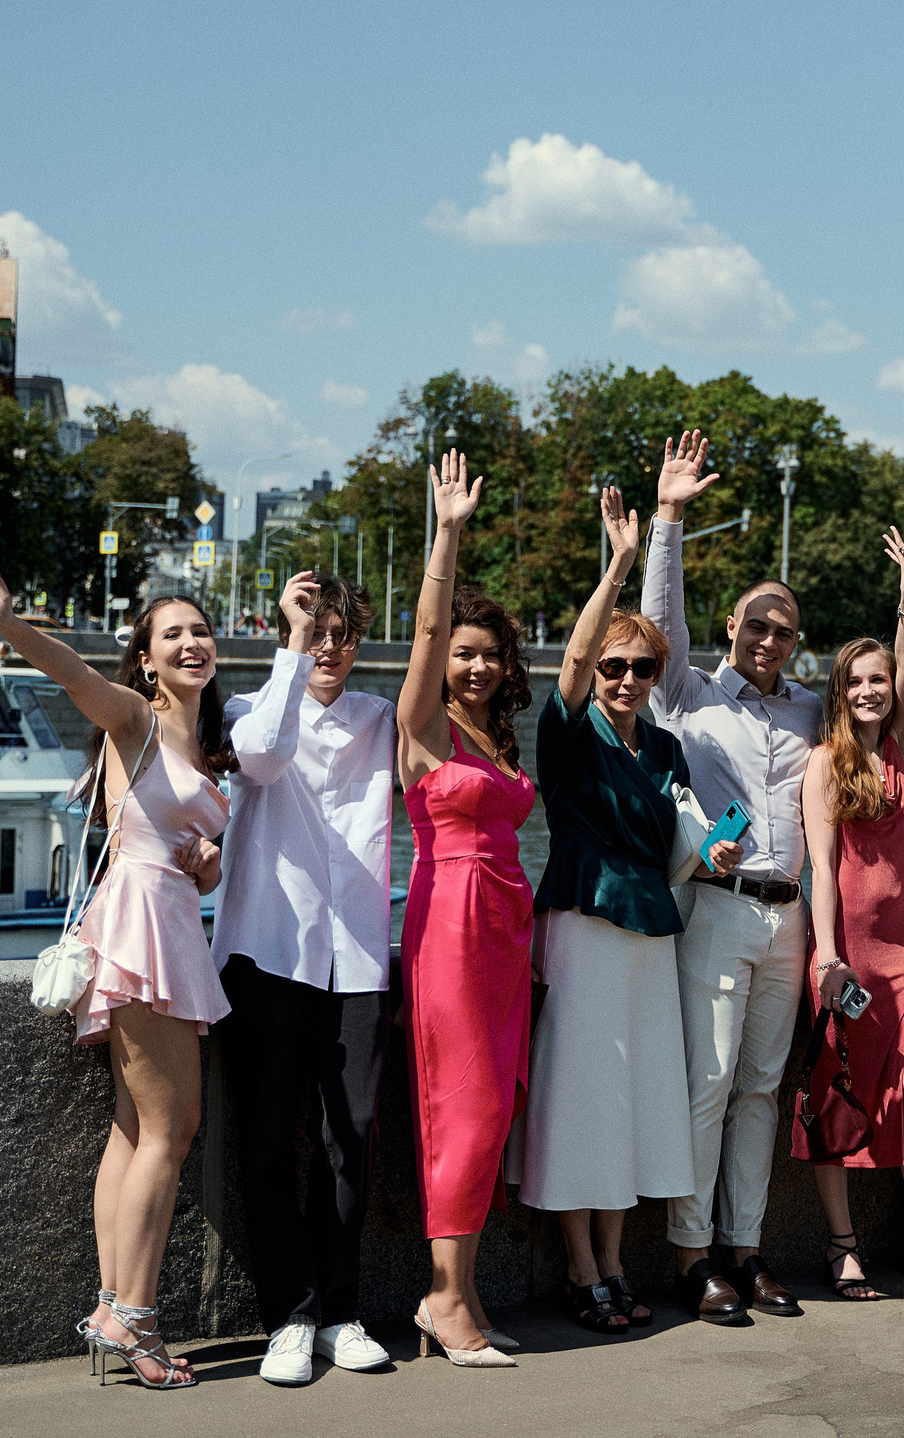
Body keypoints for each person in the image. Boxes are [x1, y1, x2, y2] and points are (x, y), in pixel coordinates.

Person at [0, 557, 227, 1390]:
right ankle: (133, 1317)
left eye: (199, 630)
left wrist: (208, 860)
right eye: (171, 633)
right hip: (144, 926)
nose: (190, 642)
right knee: (171, 1129)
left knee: (138, 1129)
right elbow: (73, 675)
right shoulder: (137, 717)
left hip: (168, 917)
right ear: (145, 658)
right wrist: (5, 622)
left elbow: (200, 866)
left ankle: (118, 1303)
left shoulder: (198, 742)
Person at [521, 484, 728, 1335]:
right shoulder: (570, 735)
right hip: (582, 920)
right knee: (579, 1092)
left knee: (631, 1094)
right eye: (615, 666)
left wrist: (711, 849)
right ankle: (579, 1267)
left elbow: (678, 833)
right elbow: (568, 665)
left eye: (643, 667)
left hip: (649, 927)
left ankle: (612, 1259)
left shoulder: (667, 744)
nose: (628, 680)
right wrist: (619, 565)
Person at [642, 431, 820, 1323]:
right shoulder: (688, 693)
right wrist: (669, 517)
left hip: (789, 919)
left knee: (760, 1088)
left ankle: (748, 1249)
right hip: (715, 909)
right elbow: (656, 622)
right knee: (707, 1084)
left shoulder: (810, 710)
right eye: (757, 623)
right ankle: (690, 1252)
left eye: (785, 630)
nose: (770, 638)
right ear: (729, 629)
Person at [213, 567, 396, 1384]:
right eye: (316, 631)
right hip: (268, 949)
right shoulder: (251, 709)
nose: (328, 646)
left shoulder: (382, 719)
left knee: (347, 1139)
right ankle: (287, 1313)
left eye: (341, 632)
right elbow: (258, 761)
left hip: (356, 954)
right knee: (263, 1138)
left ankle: (339, 1310)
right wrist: (289, 639)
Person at [397, 453, 537, 1366]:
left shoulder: (497, 733)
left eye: (491, 653)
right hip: (448, 920)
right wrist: (446, 534)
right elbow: (422, 630)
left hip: (505, 927)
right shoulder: (423, 725)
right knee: (464, 1105)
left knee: (496, 1104)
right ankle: (443, 1298)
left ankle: (464, 1287)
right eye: (463, 651)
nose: (477, 664)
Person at [802, 528, 904, 1312]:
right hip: (846, 953)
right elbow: (823, 866)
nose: (871, 690)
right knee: (838, 1093)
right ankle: (842, 1243)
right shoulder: (826, 762)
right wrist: (826, 957)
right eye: (856, 680)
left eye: (878, 679)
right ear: (838, 688)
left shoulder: (901, 744)